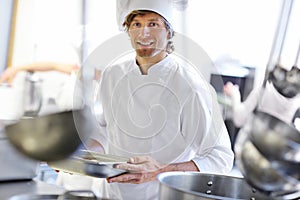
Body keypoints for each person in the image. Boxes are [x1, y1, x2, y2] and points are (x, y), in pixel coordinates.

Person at [91, 0, 234, 199]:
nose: (144, 34)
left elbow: (221, 158)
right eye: (137, 24)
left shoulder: (190, 85)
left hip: (161, 195)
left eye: (153, 24)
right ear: (128, 30)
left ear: (168, 32)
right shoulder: (112, 74)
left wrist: (159, 171)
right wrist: (77, 157)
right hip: (112, 194)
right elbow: (103, 131)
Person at [223, 80, 300, 127]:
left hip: (251, 148)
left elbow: (239, 119)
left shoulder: (264, 89)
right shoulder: (297, 102)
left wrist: (234, 93)